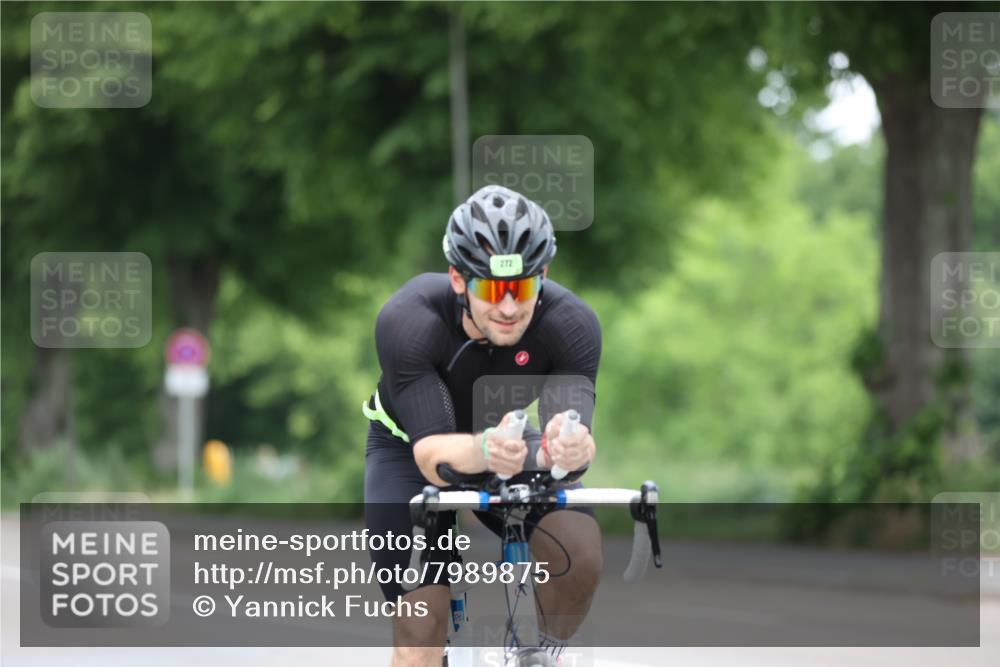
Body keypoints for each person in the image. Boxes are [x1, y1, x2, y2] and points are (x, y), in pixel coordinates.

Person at [363, 184, 602, 667]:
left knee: (580, 550)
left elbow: (568, 426)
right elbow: (432, 457)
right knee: (419, 636)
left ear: (544, 275)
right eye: (492, 289)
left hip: (508, 438)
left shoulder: (571, 323)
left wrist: (571, 447)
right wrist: (486, 450)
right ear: (457, 278)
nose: (510, 308)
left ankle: (543, 656)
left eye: (524, 288)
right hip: (409, 449)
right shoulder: (409, 320)